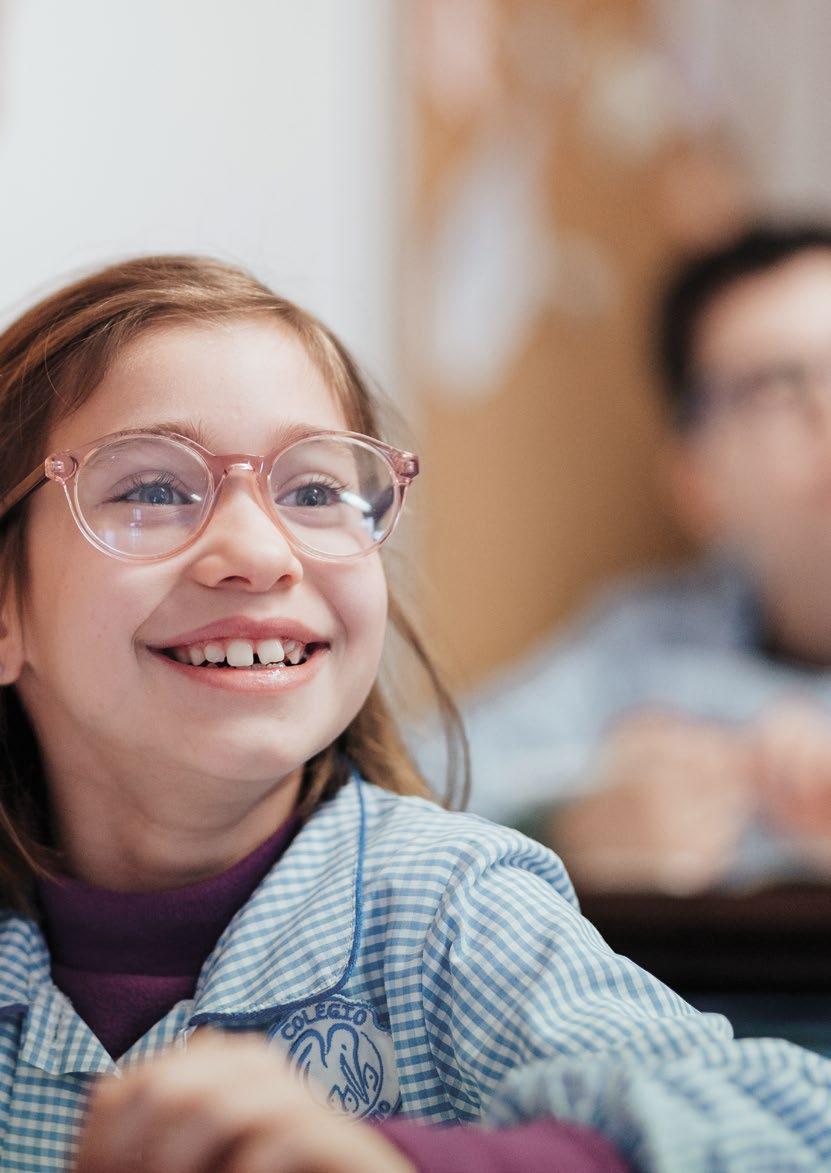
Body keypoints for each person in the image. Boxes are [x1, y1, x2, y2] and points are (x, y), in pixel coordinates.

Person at [0, 257, 828, 1173]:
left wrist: (402, 1161)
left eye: (313, 491)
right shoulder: (636, 638)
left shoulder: (452, 910)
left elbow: (793, 1128)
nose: (259, 551)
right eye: (153, 490)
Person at [442, 223, 831, 895]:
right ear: (696, 479)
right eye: (776, 388)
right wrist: (564, 829)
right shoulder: (640, 653)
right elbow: (405, 788)